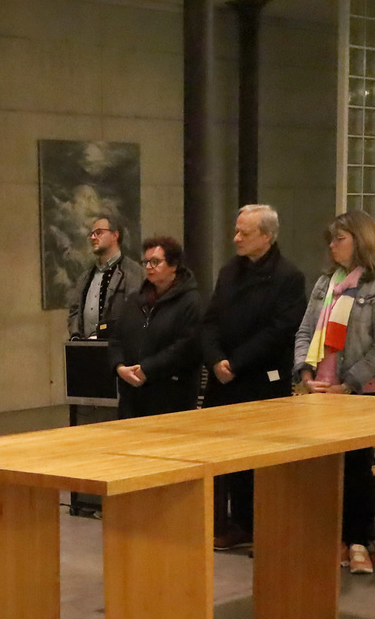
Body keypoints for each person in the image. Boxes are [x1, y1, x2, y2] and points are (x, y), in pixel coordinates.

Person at [294, 211, 375, 574]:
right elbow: (304, 332)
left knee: (356, 467)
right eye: (331, 239)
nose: (332, 245)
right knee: (322, 468)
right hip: (320, 389)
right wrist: (305, 371)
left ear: (361, 240)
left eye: (339, 238)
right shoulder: (325, 283)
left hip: (358, 391)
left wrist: (348, 383)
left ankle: (358, 540)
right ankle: (329, 538)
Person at [200, 203, 309, 549]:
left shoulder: (288, 277)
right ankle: (230, 523)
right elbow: (210, 321)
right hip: (223, 379)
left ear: (266, 236)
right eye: (236, 231)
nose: (236, 238)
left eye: (244, 233)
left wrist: (235, 363)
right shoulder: (229, 271)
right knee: (223, 455)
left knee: (259, 457)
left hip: (261, 379)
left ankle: (261, 523)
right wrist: (216, 359)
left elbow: (280, 330)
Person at [109, 236, 203, 419]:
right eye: (146, 262)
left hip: (170, 397)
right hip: (132, 396)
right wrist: (119, 367)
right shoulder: (135, 300)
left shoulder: (190, 301)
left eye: (155, 262)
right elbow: (116, 340)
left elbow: (186, 348)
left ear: (173, 265)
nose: (149, 267)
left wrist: (147, 369)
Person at [68, 217, 144, 340]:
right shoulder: (85, 276)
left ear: (115, 235)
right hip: (86, 347)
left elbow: (135, 313)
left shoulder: (133, 271)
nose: (93, 237)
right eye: (91, 234)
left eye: (98, 232)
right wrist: (75, 335)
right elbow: (75, 311)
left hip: (118, 347)